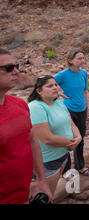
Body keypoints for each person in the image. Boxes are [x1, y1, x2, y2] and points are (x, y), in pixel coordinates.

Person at [0, 48, 52, 204]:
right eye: (8, 68)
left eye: (16, 66)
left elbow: (32, 140)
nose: (16, 71)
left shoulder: (20, 104)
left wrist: (42, 180)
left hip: (25, 196)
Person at [28, 75, 82, 197]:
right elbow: (46, 138)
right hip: (48, 160)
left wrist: (78, 137)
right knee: (46, 195)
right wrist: (71, 142)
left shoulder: (58, 103)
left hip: (63, 154)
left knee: (52, 190)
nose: (55, 88)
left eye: (56, 85)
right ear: (38, 91)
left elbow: (71, 124)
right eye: (49, 86)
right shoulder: (35, 107)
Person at [54, 50, 89, 176]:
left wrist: (88, 109)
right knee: (67, 140)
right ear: (70, 60)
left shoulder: (83, 73)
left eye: (83, 58)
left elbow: (85, 92)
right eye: (79, 58)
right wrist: (58, 93)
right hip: (68, 110)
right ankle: (66, 170)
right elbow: (47, 83)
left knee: (80, 139)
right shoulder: (63, 75)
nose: (82, 60)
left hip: (81, 109)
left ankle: (80, 166)